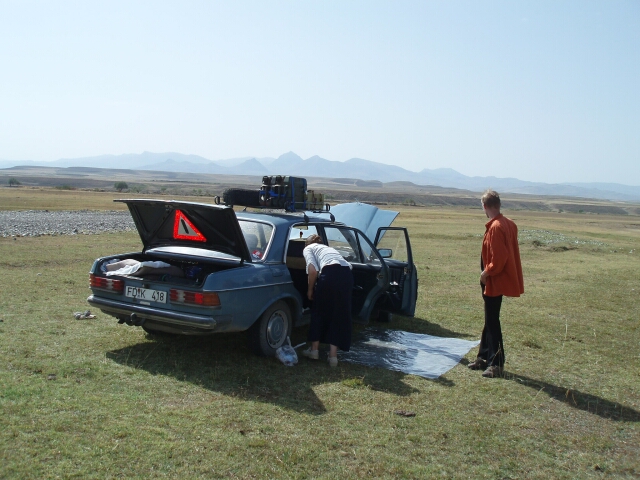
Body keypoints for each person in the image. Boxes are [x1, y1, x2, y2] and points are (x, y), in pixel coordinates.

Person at [468, 190, 524, 378]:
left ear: (485, 206)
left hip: (494, 280)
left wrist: (486, 272)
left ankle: (497, 363)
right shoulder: (509, 223)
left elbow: (499, 259)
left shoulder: (496, 227)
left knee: (493, 321)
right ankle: (483, 357)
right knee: (489, 318)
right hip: (498, 279)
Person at [301, 234, 354, 367]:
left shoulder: (309, 248)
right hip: (346, 275)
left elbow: (313, 271)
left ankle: (314, 351)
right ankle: (333, 357)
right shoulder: (328, 249)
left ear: (307, 244)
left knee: (319, 311)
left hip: (330, 274)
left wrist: (310, 290)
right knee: (338, 314)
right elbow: (347, 266)